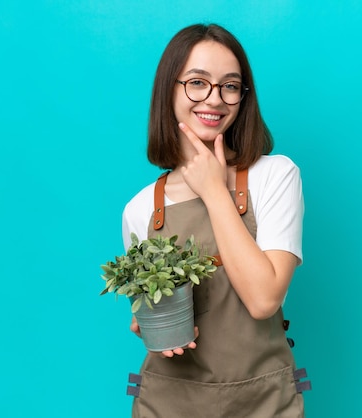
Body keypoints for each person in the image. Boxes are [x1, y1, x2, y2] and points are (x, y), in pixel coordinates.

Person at [121, 23, 307, 417]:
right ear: (169, 90)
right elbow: (155, 316)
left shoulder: (275, 176)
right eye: (197, 82)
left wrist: (213, 190)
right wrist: (149, 321)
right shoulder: (140, 209)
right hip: (166, 403)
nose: (214, 99)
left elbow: (263, 299)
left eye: (230, 85)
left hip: (263, 402)